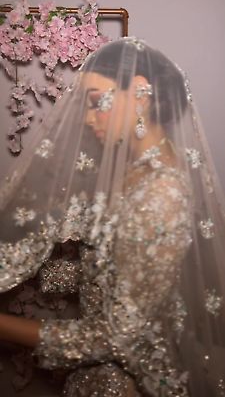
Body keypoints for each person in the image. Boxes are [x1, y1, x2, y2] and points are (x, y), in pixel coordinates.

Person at [1, 37, 225, 396]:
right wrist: (35, 276)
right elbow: (111, 270)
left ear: (139, 92)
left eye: (95, 103)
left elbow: (115, 336)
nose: (89, 119)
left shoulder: (161, 194)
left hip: (121, 381)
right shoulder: (136, 171)